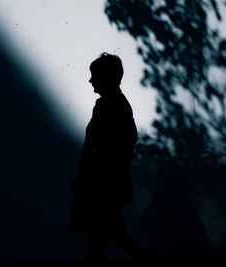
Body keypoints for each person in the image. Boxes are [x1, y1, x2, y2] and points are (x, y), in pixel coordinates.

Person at [69, 53, 155, 261]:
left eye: (94, 75)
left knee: (101, 233)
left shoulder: (113, 106)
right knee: (102, 233)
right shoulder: (108, 105)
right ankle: (144, 255)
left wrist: (92, 172)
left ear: (105, 77)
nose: (90, 81)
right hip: (99, 183)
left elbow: (108, 146)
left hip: (101, 184)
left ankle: (145, 255)